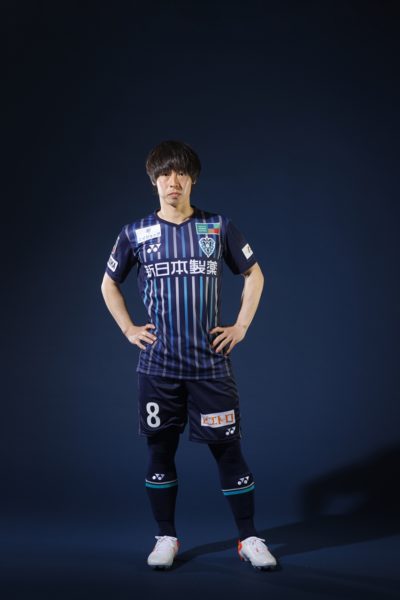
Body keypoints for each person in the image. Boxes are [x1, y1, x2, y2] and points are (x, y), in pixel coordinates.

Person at [100, 140, 277, 571]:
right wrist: (128, 328)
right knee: (160, 452)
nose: (172, 181)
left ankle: (249, 538)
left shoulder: (218, 227)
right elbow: (108, 283)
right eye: (164, 174)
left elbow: (254, 275)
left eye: (180, 173)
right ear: (153, 180)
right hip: (158, 368)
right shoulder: (135, 233)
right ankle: (166, 537)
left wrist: (241, 326)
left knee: (229, 452)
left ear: (193, 179)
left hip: (209, 367)